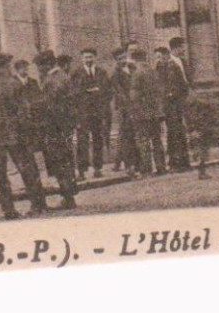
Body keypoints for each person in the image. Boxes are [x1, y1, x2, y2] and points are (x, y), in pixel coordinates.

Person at [0, 53, 47, 219]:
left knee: (0, 174)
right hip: (14, 134)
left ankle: (8, 210)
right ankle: (37, 205)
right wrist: (26, 131)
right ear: (8, 66)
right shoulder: (14, 84)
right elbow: (24, 111)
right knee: (26, 169)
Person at [36, 52, 78, 209]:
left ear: (46, 65)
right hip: (65, 127)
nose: (39, 70)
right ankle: (69, 196)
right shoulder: (63, 76)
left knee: (59, 161)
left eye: (40, 66)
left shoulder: (52, 80)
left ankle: (67, 197)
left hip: (55, 127)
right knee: (66, 160)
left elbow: (50, 106)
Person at [127, 45, 168, 176]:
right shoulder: (153, 72)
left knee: (143, 141)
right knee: (157, 140)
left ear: (134, 60)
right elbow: (160, 92)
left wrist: (134, 112)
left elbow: (134, 96)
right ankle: (161, 167)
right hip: (155, 113)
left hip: (142, 114)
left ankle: (147, 169)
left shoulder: (136, 74)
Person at [72, 47, 112, 179]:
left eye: (90, 57)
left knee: (97, 140)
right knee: (82, 141)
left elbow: (107, 91)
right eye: (85, 57)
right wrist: (90, 92)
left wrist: (99, 95)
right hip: (83, 113)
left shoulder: (101, 72)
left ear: (95, 58)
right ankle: (82, 171)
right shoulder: (76, 73)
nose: (88, 59)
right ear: (81, 59)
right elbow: (74, 93)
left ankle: (97, 168)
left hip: (98, 112)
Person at [155, 45, 191, 170]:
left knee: (175, 132)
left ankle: (178, 161)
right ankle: (179, 160)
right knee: (174, 132)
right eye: (156, 58)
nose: (158, 60)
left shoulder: (171, 67)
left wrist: (172, 94)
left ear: (166, 55)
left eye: (160, 57)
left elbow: (182, 86)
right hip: (169, 106)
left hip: (173, 105)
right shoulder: (161, 67)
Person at [111, 47, 141, 175]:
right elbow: (119, 92)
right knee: (127, 136)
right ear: (116, 60)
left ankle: (135, 164)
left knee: (133, 135)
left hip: (136, 106)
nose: (122, 61)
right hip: (125, 108)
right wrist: (130, 104)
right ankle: (129, 165)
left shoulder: (133, 68)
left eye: (124, 57)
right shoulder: (115, 74)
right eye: (119, 59)